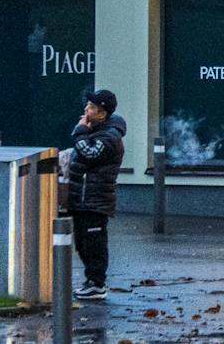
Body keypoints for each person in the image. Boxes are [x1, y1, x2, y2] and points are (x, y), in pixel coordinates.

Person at [62, 89, 127, 300]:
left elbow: (90, 153)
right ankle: (91, 281)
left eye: (90, 107)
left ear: (101, 112)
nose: (85, 110)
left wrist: (80, 132)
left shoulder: (110, 136)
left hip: (95, 199)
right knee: (82, 242)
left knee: (94, 243)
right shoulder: (95, 131)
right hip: (81, 198)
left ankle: (97, 283)